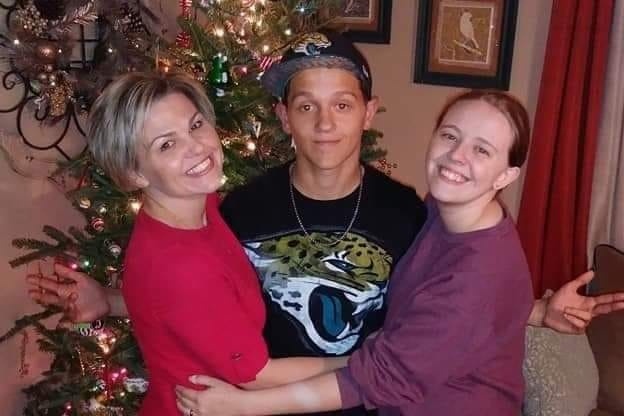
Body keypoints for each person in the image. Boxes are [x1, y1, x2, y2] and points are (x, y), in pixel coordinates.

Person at [27, 30, 624, 415]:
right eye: (305, 105)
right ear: (283, 117)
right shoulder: (235, 208)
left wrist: (532, 311)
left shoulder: (410, 213)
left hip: (366, 402)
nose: (325, 124)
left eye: (342, 104)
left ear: (369, 113)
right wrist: (110, 300)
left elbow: (449, 303)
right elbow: (196, 297)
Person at [170, 90, 558, 415]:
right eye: (450, 136)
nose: (457, 156)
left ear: (507, 175)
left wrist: (243, 406)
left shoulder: (478, 272)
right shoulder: (446, 213)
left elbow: (380, 377)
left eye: (482, 150)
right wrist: (534, 309)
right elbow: (475, 314)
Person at [80, 71, 347, 416]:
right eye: (166, 144)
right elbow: (257, 376)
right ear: (134, 173)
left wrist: (108, 300)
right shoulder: (181, 264)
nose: (196, 146)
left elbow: (171, 311)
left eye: (195, 125)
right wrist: (362, 360)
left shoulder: (200, 207)